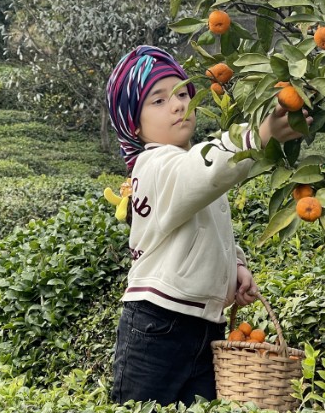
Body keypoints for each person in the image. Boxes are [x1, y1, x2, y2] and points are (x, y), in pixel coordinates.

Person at [105, 45, 308, 406]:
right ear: (133, 124)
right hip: (157, 326)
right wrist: (258, 135)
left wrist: (236, 267)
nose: (179, 104)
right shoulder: (153, 166)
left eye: (183, 93)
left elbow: (207, 227)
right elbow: (205, 172)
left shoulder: (187, 163)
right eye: (159, 100)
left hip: (204, 326)